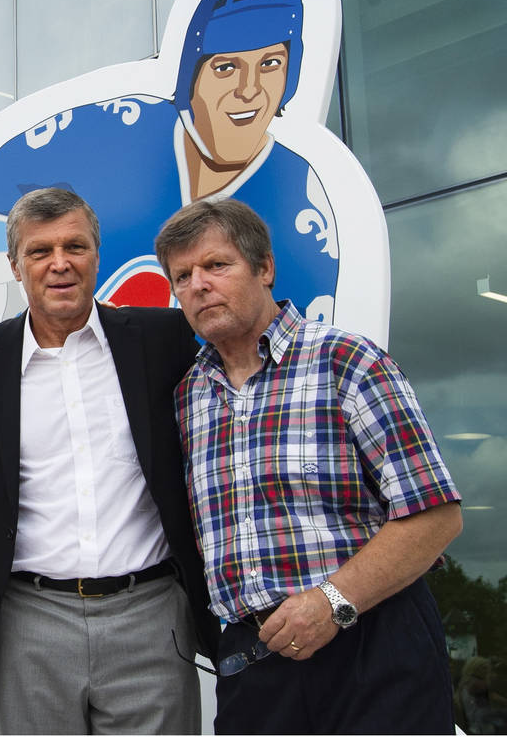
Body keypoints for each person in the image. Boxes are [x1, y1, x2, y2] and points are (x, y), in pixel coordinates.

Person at [155, 198, 463, 734]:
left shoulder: (346, 360)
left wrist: (333, 601)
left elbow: (436, 516)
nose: (198, 284)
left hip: (372, 640)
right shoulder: (188, 397)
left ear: (265, 267)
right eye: (182, 276)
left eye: (216, 265)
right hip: (256, 661)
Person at [0, 187, 218, 733]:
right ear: (15, 266)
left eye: (75, 246)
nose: (59, 263)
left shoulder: (163, 339)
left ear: (98, 254)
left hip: (150, 613)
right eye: (40, 251)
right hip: (27, 621)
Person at [0, 0, 356, 338]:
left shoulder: (305, 195)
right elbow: (5, 166)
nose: (249, 89)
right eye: (225, 68)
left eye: (270, 63)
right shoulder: (117, 127)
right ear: (193, 74)